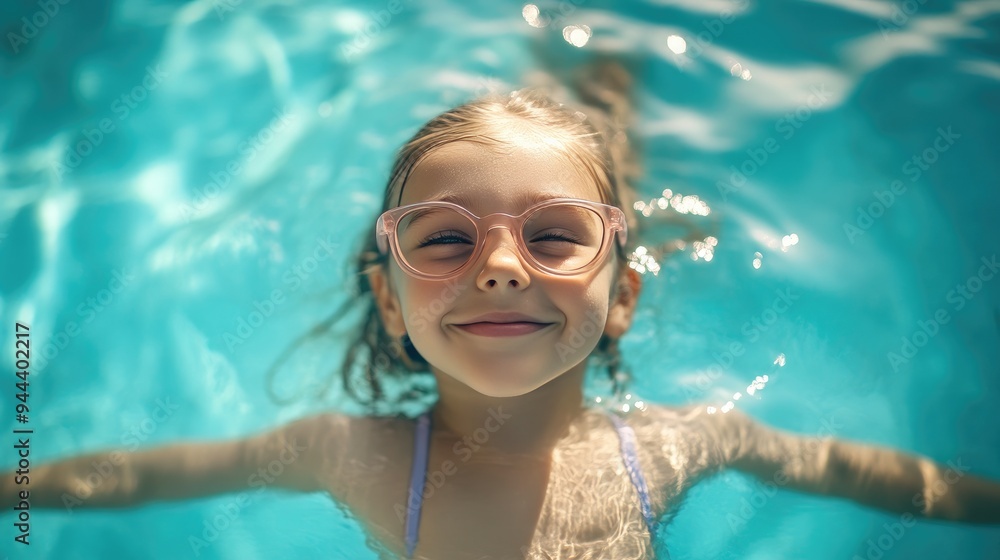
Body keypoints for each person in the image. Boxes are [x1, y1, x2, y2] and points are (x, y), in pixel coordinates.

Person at [4, 59, 999, 560]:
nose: (497, 267)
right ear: (391, 305)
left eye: (551, 239)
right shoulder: (356, 453)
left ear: (623, 306)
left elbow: (840, 465)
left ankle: (604, 101)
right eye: (444, 239)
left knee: (608, 174)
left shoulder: (670, 447)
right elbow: (144, 469)